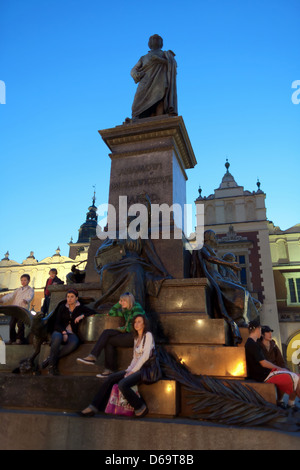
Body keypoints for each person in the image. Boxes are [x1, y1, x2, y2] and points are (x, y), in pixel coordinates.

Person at [78, 314, 154, 418]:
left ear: (144, 324)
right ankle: (93, 407)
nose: (136, 324)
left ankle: (140, 407)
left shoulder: (148, 335)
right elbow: (135, 358)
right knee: (110, 378)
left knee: (122, 384)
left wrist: (133, 371)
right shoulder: (136, 338)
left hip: (146, 369)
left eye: (139, 322)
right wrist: (128, 370)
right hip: (135, 369)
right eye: (135, 322)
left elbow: (145, 356)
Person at [76, 292, 146, 377]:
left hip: (136, 336)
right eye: (121, 301)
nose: (121, 303)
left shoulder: (137, 308)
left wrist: (121, 329)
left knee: (108, 339)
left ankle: (108, 369)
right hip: (127, 333)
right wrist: (117, 304)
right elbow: (112, 313)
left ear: (129, 301)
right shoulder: (125, 310)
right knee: (107, 333)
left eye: (124, 301)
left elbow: (135, 326)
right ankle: (93, 357)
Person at [245, 320, 300, 411]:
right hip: (265, 375)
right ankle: (290, 404)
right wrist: (279, 369)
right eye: (260, 329)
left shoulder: (252, 343)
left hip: (267, 373)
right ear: (257, 330)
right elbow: (263, 363)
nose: (260, 331)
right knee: (298, 379)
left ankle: (290, 404)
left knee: (296, 378)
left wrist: (281, 369)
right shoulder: (252, 344)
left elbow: (276, 360)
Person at [43, 288, 95, 375]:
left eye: (72, 297)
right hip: (59, 331)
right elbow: (57, 323)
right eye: (68, 297)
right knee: (57, 338)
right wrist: (63, 332)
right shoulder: (62, 307)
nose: (69, 299)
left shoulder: (80, 307)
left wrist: (82, 316)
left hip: (71, 333)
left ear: (76, 298)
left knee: (74, 343)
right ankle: (52, 366)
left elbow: (94, 312)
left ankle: (50, 359)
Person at [130, 34, 177, 120]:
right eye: (152, 39)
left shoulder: (165, 54)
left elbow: (172, 64)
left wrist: (159, 60)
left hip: (160, 80)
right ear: (149, 43)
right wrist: (136, 74)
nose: (154, 41)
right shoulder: (143, 58)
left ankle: (159, 117)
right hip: (145, 81)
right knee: (137, 102)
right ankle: (136, 117)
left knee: (159, 98)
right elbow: (134, 69)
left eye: (157, 39)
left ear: (161, 43)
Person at [0, 274, 34, 344]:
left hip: (22, 309)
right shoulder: (18, 290)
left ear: (28, 281)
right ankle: (12, 339)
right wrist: (3, 299)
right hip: (15, 309)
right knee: (11, 324)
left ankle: (19, 339)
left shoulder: (30, 290)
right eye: (22, 280)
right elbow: (10, 296)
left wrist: (26, 300)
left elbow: (30, 296)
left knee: (20, 324)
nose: (23, 282)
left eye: (25, 280)